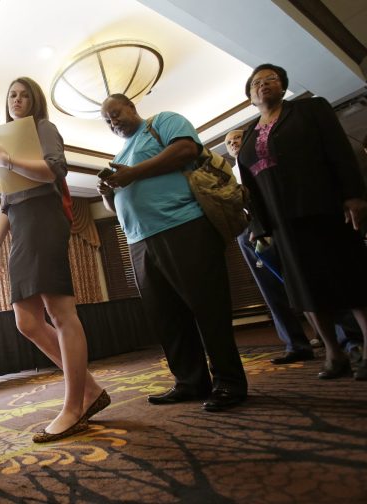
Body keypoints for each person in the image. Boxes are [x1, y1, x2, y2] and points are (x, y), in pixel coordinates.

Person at [97, 94, 247, 412]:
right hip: (139, 241)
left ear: (132, 107)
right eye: (107, 120)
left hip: (184, 227)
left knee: (208, 307)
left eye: (115, 113)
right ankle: (190, 382)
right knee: (167, 317)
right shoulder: (119, 154)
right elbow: (120, 204)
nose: (113, 121)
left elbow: (185, 151)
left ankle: (229, 381)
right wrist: (111, 194)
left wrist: (132, 174)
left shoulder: (163, 122)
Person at [0, 77, 109, 443]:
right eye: (12, 94)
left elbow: (56, 169)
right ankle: (90, 390)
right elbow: (7, 199)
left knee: (59, 312)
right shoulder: (2, 140)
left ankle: (75, 406)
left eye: (24, 95)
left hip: (45, 217)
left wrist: (8, 160)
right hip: (20, 226)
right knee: (26, 321)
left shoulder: (43, 128)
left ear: (34, 101)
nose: (17, 99)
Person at [236, 63, 367, 380]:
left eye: (272, 79)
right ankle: (334, 355)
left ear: (283, 87)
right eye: (257, 82)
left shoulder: (310, 110)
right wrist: (259, 227)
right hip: (283, 224)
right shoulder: (249, 137)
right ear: (250, 96)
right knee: (306, 291)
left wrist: (353, 195)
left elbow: (338, 150)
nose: (265, 84)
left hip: (323, 209)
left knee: (349, 280)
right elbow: (251, 187)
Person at [226, 130, 363, 365]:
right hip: (249, 233)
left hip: (281, 226)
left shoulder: (262, 155)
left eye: (238, 137)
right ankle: (295, 344)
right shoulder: (229, 172)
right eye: (229, 142)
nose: (234, 143)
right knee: (273, 292)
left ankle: (349, 340)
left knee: (311, 280)